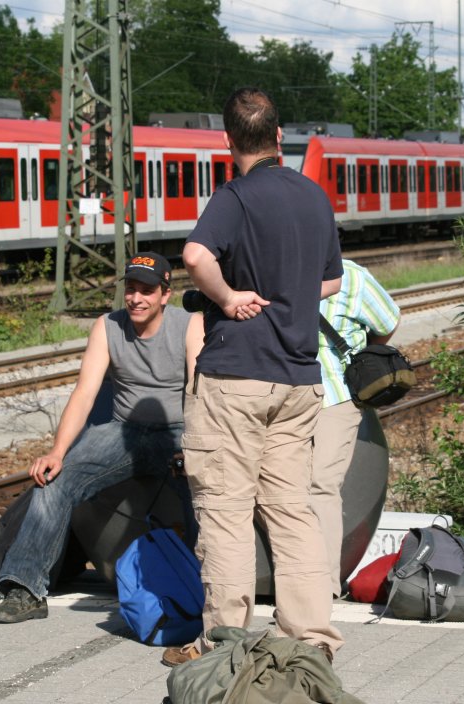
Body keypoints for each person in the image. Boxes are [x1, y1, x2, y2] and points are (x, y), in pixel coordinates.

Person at [165, 87, 345, 667]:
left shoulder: (235, 197)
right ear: (279, 136)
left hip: (236, 377)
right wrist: (289, 295)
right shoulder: (313, 195)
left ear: (227, 141)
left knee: (226, 511)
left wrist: (227, 297)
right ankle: (311, 641)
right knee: (292, 510)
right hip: (298, 379)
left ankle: (224, 644)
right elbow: (332, 281)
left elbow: (196, 256)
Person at [0, 252, 204, 624]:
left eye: (146, 291)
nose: (136, 298)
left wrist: (193, 446)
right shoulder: (107, 326)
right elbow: (85, 393)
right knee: (55, 479)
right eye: (131, 289)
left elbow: (200, 394)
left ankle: (205, 588)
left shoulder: (190, 325)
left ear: (165, 294)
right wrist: (58, 452)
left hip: (178, 431)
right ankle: (26, 589)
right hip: (123, 431)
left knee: (203, 488)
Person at [312, 259, 400, 597]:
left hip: (334, 395)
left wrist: (358, 358)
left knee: (321, 485)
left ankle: (322, 587)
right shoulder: (272, 268)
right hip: (282, 395)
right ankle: (293, 582)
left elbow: (388, 322)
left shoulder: (353, 277)